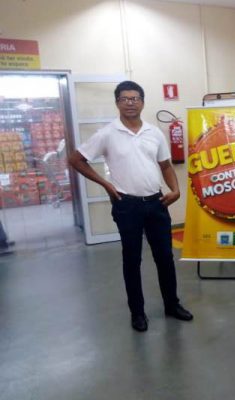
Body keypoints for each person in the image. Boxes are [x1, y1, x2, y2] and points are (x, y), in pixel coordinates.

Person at [69, 80, 193, 332]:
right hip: (127, 206)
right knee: (132, 259)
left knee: (165, 257)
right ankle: (137, 313)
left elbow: (165, 165)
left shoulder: (154, 132)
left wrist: (176, 189)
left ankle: (172, 304)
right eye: (124, 99)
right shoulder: (107, 133)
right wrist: (106, 184)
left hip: (156, 203)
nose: (130, 103)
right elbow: (76, 159)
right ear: (117, 102)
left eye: (135, 98)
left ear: (142, 102)